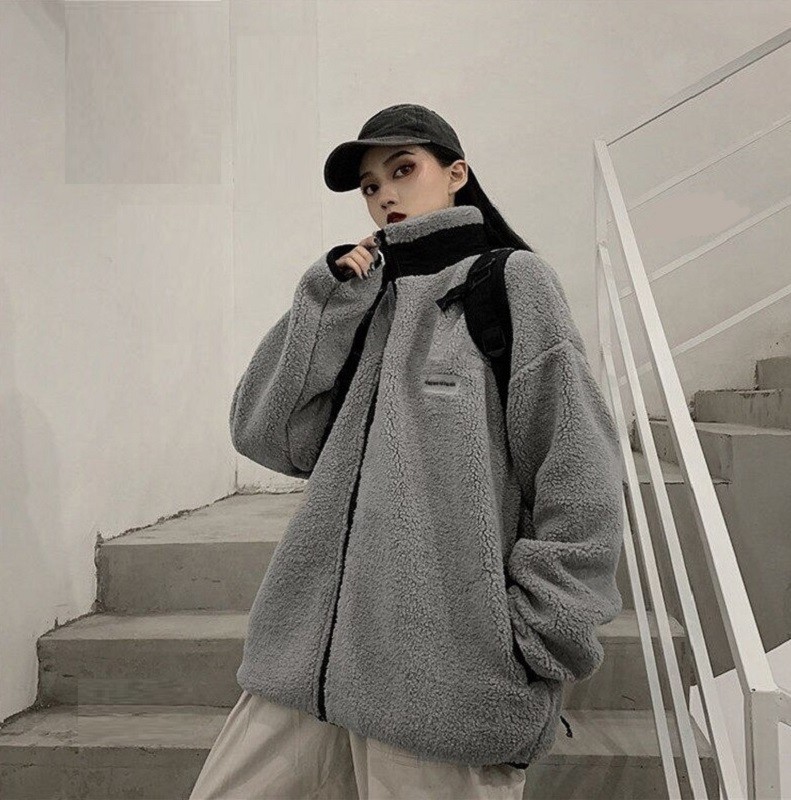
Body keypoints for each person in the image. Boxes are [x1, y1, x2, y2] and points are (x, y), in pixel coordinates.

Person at [189, 103, 625, 800]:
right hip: (304, 668)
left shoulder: (510, 282)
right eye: (370, 185)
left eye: (402, 170)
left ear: (455, 174)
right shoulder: (360, 300)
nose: (385, 194)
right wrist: (327, 302)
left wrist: (539, 635)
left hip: (442, 683)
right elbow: (266, 434)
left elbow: (580, 472)